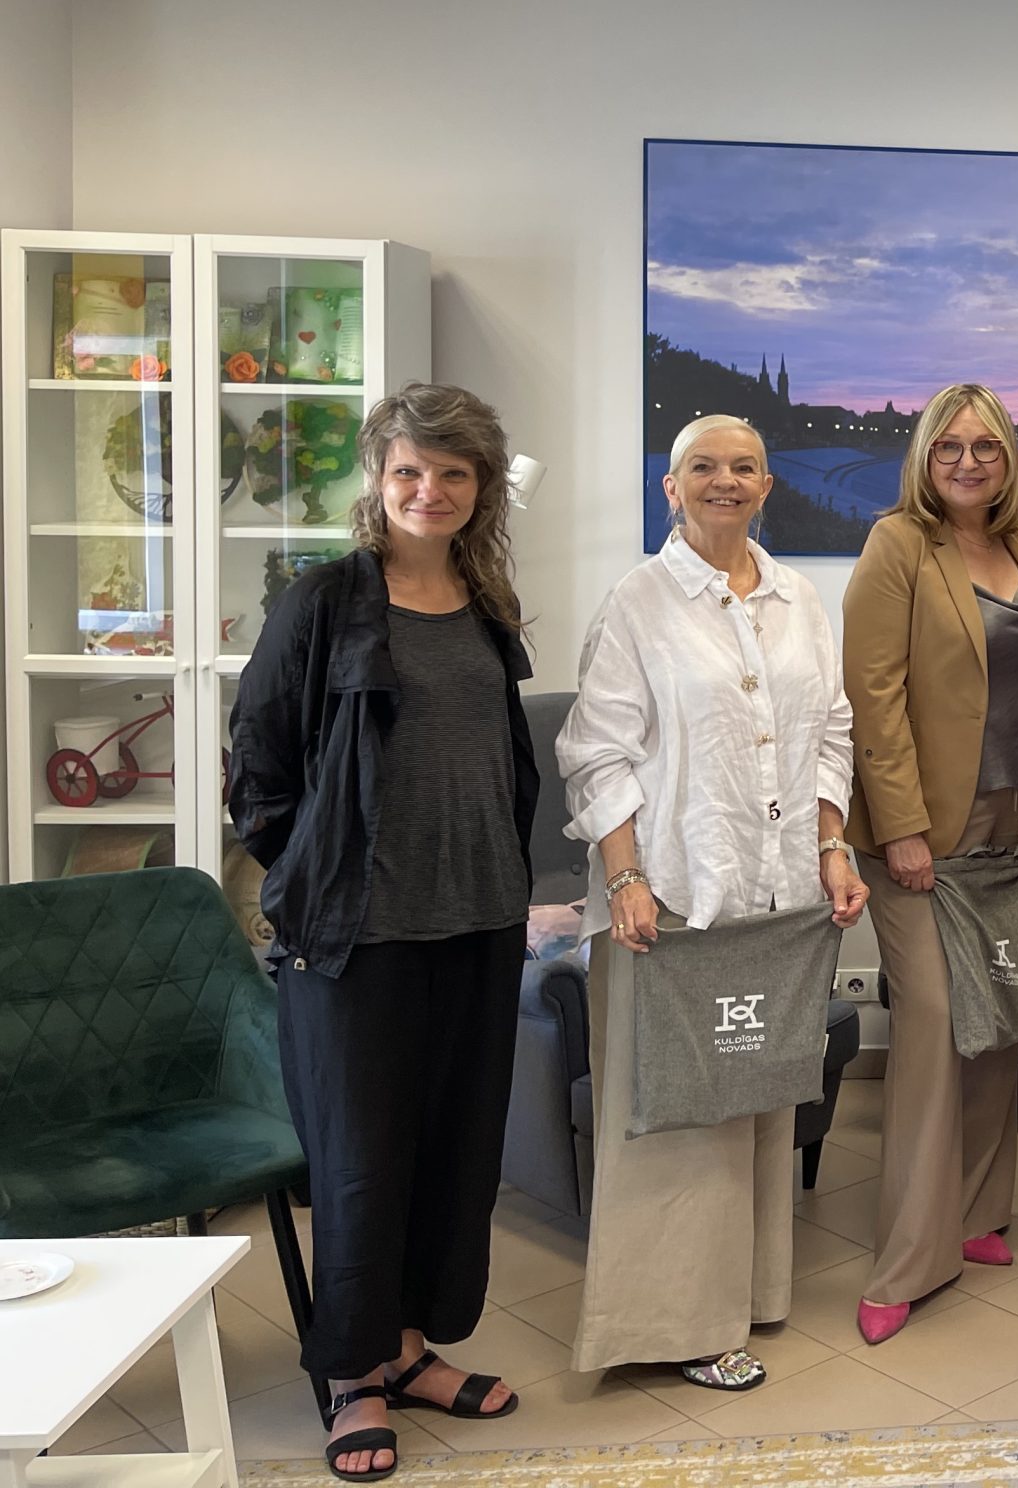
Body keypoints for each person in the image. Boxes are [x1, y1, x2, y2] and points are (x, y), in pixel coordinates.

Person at [229, 384, 541, 1481]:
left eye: (453, 473)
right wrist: (309, 878)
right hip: (358, 935)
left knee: (455, 1149)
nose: (429, 490)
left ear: (481, 487)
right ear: (378, 476)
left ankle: (407, 1349)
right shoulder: (322, 601)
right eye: (409, 469)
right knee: (361, 1162)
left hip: (480, 919)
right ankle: (353, 1375)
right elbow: (257, 764)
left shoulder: (485, 599)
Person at [557, 414, 865, 1393]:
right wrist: (625, 877)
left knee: (754, 1096)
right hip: (673, 900)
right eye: (703, 466)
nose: (724, 480)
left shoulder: (799, 598)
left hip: (773, 895)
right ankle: (671, 1324)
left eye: (743, 467)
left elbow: (831, 733)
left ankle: (748, 1294)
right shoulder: (637, 601)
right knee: (677, 1120)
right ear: (672, 486)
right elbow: (594, 754)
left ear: (767, 486)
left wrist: (830, 846)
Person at [841, 383, 1018, 1344]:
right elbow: (872, 693)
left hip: (1014, 825)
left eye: (986, 447)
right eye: (950, 447)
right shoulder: (898, 544)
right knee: (937, 1028)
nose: (969, 462)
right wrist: (899, 826)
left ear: (1009, 457)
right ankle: (908, 1259)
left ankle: (979, 1213)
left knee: (999, 1023)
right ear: (924, 457)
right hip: (922, 836)